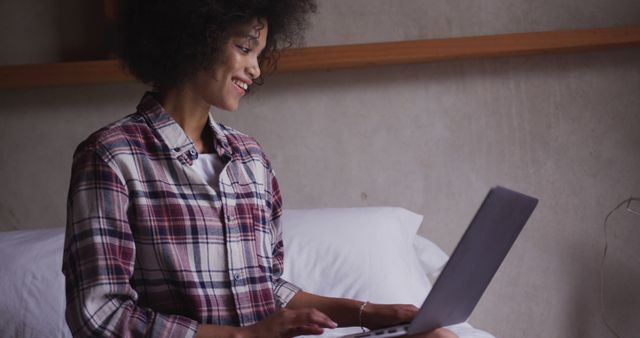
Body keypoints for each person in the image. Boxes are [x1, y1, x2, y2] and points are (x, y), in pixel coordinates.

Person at [62, 1, 458, 337]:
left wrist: (370, 314)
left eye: (259, 54)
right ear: (192, 38)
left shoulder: (251, 158)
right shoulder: (111, 156)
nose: (255, 69)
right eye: (244, 47)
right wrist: (244, 336)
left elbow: (266, 288)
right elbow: (100, 315)